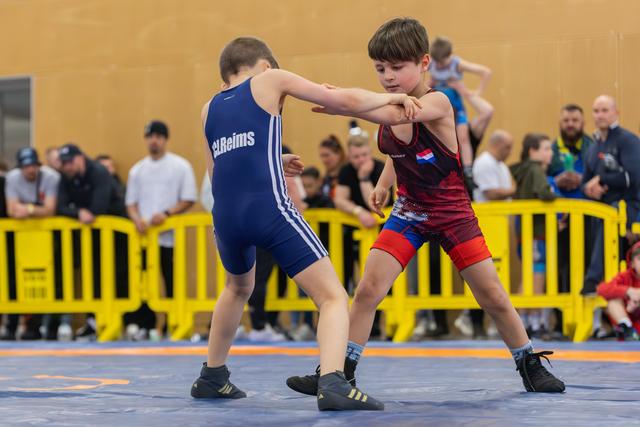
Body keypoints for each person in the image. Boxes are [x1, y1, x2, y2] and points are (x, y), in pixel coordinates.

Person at [286, 17, 564, 395]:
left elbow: (397, 115)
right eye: (380, 69)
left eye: (397, 68)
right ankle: (339, 370)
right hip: (410, 212)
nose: (387, 77)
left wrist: (346, 104)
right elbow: (397, 152)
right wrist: (385, 185)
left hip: (453, 213)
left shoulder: (438, 101)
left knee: (492, 296)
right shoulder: (386, 104)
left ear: (424, 63)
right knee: (368, 289)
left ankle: (529, 363)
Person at [190, 36, 421, 411]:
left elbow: (219, 170)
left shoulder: (208, 109)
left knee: (236, 288)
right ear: (266, 65)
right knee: (332, 296)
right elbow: (341, 101)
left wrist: (273, 161)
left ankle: (212, 376)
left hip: (226, 215)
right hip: (267, 208)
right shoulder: (269, 79)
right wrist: (389, 99)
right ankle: (333, 381)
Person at [125, 121, 197, 340]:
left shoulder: (180, 166)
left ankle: (171, 324)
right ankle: (145, 325)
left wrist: (166, 214)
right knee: (142, 283)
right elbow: (131, 203)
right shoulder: (137, 170)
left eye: (158, 136)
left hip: (170, 237)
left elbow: (188, 198)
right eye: (150, 136)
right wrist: (137, 219)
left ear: (165, 139)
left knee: (171, 280)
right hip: (145, 237)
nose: (154, 140)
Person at [57, 143, 127, 340]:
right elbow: (59, 207)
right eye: (64, 163)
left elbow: (98, 208)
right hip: (92, 235)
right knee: (92, 276)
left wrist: (77, 211)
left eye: (70, 162)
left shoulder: (98, 172)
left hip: (118, 233)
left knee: (117, 276)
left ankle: (119, 320)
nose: (67, 166)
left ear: (80, 158)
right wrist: (78, 212)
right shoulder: (66, 176)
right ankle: (93, 321)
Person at [582, 95, 640, 294]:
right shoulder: (593, 146)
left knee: (612, 215)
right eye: (596, 111)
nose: (600, 115)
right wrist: (590, 188)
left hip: (627, 206)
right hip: (600, 208)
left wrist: (601, 180)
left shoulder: (627, 140)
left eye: (605, 110)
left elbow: (633, 177)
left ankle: (593, 279)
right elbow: (585, 182)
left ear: (616, 112)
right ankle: (594, 283)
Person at [510, 134, 557, 338]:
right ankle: (533, 322)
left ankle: (524, 320)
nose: (551, 153)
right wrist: (556, 193)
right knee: (536, 274)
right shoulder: (536, 169)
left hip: (525, 231)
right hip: (536, 232)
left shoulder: (522, 170)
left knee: (528, 273)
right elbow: (544, 193)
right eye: (546, 149)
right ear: (533, 152)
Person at [428, 36, 492, 175]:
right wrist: (428, 84)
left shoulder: (456, 64)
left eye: (442, 62)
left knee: (463, 136)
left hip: (456, 105)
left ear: (449, 56)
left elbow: (485, 72)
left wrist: (476, 92)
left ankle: (468, 168)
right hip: (438, 104)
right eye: (437, 62)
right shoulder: (431, 63)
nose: (439, 66)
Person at [597, 241, 640, 341]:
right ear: (632, 263)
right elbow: (602, 289)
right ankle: (627, 328)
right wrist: (629, 291)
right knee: (612, 301)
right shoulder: (626, 276)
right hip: (629, 324)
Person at [318, 135, 346, 199]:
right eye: (322, 156)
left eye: (327, 155)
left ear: (339, 154)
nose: (324, 160)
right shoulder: (324, 179)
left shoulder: (347, 176)